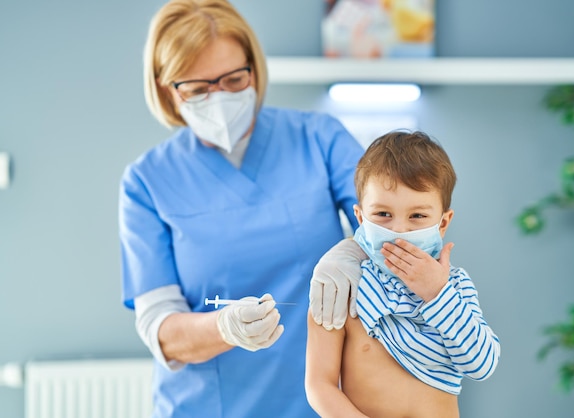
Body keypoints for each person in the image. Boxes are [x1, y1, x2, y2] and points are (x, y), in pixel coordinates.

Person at [117, 0, 365, 416]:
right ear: (167, 89)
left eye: (234, 79)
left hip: (324, 402)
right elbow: (161, 329)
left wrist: (357, 250)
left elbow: (390, 220)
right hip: (209, 406)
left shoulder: (320, 139)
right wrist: (223, 327)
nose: (220, 99)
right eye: (198, 89)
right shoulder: (146, 181)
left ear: (255, 68)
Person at [305, 131, 501, 418]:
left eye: (417, 216)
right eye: (383, 214)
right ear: (360, 218)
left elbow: (482, 365)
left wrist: (438, 294)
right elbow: (319, 385)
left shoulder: (455, 287)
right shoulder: (342, 287)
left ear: (443, 222)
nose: (399, 230)